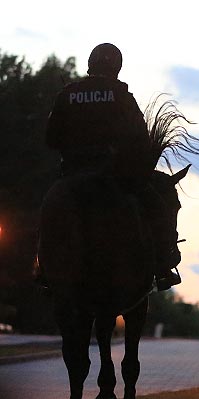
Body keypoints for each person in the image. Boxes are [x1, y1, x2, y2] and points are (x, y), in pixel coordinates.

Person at [45, 43, 181, 291]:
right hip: (115, 178)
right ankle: (163, 268)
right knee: (157, 207)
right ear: (117, 68)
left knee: (47, 211)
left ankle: (43, 269)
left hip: (72, 177)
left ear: (90, 65)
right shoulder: (122, 96)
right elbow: (140, 140)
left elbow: (50, 139)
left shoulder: (67, 94)